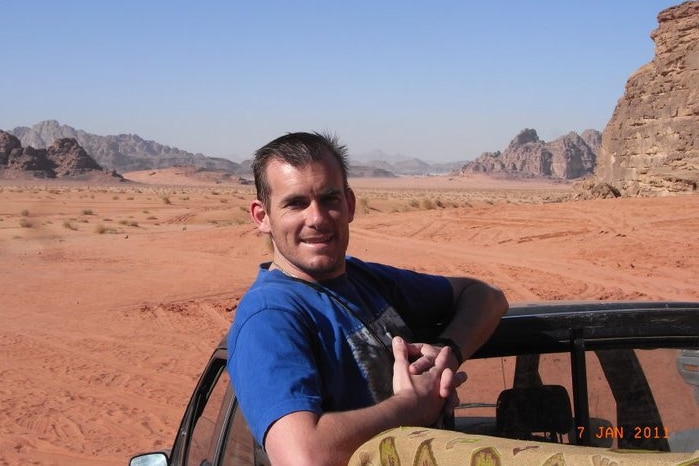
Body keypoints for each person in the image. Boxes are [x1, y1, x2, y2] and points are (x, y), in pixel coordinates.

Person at [227, 131, 508, 466]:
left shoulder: (368, 280)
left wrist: (449, 352)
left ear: (349, 205)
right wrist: (412, 406)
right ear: (262, 217)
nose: (316, 218)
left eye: (329, 199)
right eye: (296, 203)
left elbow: (487, 297)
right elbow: (304, 456)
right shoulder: (270, 316)